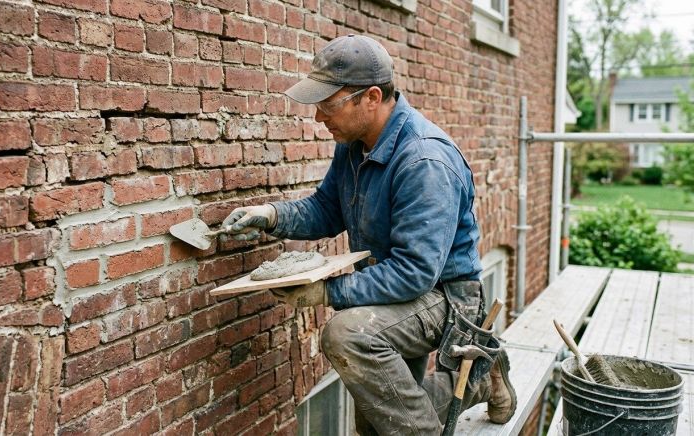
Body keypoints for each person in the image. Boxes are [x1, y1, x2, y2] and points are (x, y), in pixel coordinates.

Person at [221, 34, 516, 435]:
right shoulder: (356, 144)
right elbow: (327, 208)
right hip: (398, 288)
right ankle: (482, 380)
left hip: (446, 296)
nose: (319, 118)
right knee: (378, 422)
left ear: (372, 97)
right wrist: (270, 215)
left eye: (328, 105)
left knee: (348, 334)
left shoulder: (425, 161)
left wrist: (327, 292)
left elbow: (414, 272)